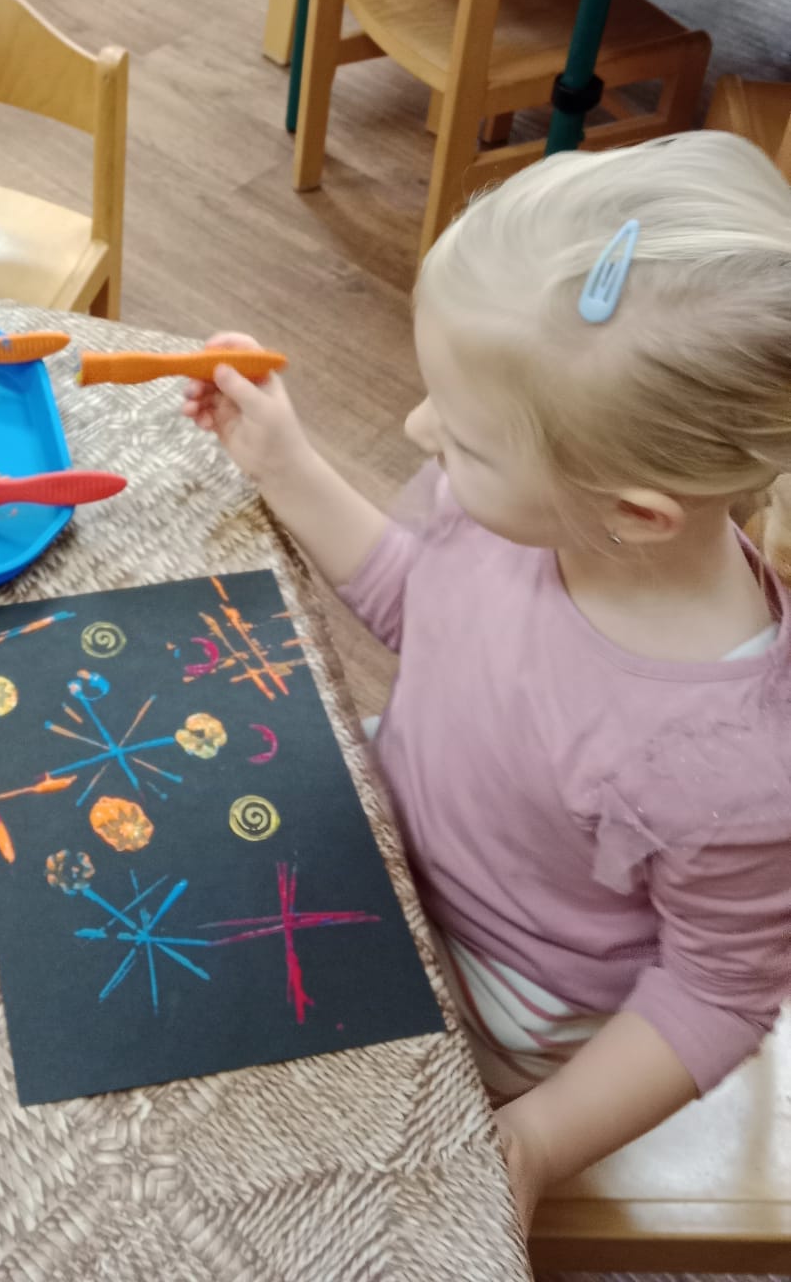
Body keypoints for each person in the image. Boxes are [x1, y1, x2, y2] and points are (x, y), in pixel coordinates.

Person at [182, 135, 791, 1231]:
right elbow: (424, 608)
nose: (417, 431)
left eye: (460, 438)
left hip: (500, 1004)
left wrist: (538, 1140)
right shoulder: (537, 514)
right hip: (384, 844)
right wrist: (283, 461)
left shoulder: (732, 768)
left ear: (635, 513)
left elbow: (718, 992)